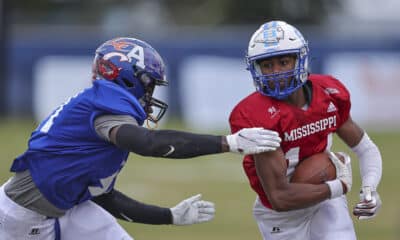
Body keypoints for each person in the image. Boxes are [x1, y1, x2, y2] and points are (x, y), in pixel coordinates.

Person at [0, 37, 282, 240]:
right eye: (149, 84)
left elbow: (104, 196)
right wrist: (228, 143)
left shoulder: (95, 110)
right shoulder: (105, 107)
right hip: (27, 217)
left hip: (68, 206)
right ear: (127, 78)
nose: (151, 96)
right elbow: (150, 143)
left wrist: (169, 216)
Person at [229, 21, 382, 240]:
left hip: (325, 199)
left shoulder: (329, 92)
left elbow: (366, 149)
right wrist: (340, 186)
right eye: (267, 65)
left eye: (283, 62)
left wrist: (370, 188)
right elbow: (279, 198)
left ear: (300, 59)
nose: (276, 73)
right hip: (281, 215)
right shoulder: (255, 114)